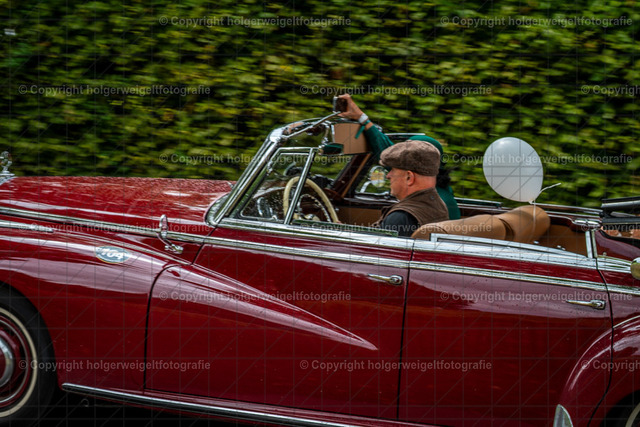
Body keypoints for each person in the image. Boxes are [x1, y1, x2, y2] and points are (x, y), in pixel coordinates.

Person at [337, 94, 461, 220]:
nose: (389, 175)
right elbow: (387, 152)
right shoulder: (438, 190)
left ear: (410, 175)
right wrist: (362, 118)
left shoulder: (425, 203)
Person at [371, 139, 449, 237]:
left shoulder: (400, 217)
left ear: (409, 177)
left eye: (393, 170)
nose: (388, 176)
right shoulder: (438, 205)